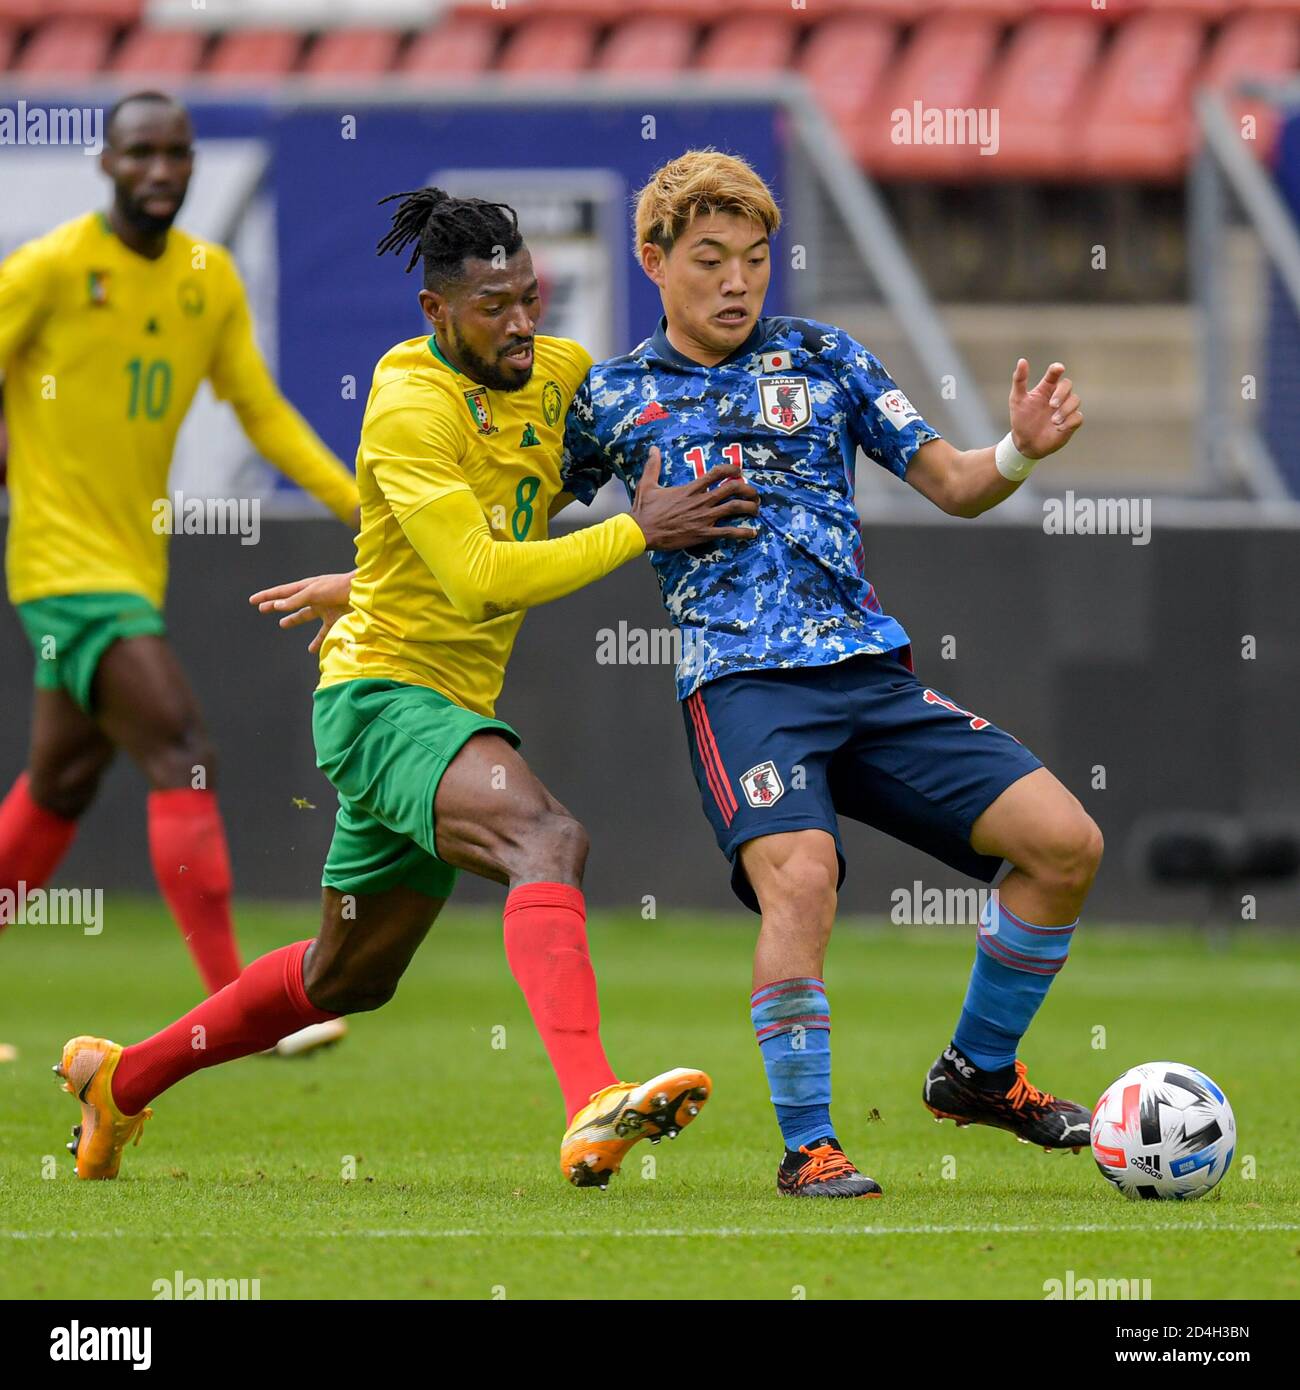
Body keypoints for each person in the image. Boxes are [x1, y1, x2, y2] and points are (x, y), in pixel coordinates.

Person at [56, 187, 759, 1187]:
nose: (521, 322)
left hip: (445, 702)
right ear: (437, 313)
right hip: (381, 698)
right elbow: (479, 571)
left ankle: (121, 1081)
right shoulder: (406, 403)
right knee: (545, 838)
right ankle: (590, 1097)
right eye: (493, 307)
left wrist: (374, 570)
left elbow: (530, 492)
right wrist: (640, 529)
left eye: (530, 297)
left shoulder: (558, 372)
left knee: (346, 976)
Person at [560, 149, 1102, 1198]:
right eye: (709, 259)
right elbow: (510, 524)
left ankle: (979, 1076)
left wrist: (1019, 451)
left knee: (1064, 845)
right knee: (802, 879)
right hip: (742, 686)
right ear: (652, 258)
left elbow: (950, 482)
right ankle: (808, 1144)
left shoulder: (824, 355)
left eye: (754, 260)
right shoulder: (610, 397)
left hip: (868, 675)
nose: (735, 282)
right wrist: (377, 577)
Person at [0, 91, 359, 1058]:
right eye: (142, 153)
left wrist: (365, 512)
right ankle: (243, 1006)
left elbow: (262, 411)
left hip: (132, 562)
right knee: (181, 742)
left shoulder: (208, 278)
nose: (162, 171)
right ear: (107, 164)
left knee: (61, 781)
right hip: (62, 567)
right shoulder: (51, 269)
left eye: (177, 154)